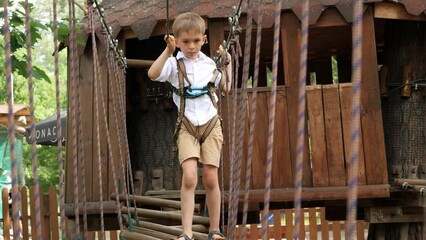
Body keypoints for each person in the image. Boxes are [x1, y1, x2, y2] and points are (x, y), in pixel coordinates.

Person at [148, 12, 232, 240]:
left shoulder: (209, 65)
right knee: (189, 177)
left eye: (196, 41)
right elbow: (153, 74)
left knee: (211, 178)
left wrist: (228, 63)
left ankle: (214, 230)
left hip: (211, 125)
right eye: (185, 42)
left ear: (203, 40)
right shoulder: (174, 65)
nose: (191, 46)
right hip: (186, 125)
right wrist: (168, 51)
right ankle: (186, 233)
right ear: (176, 40)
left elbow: (225, 88)